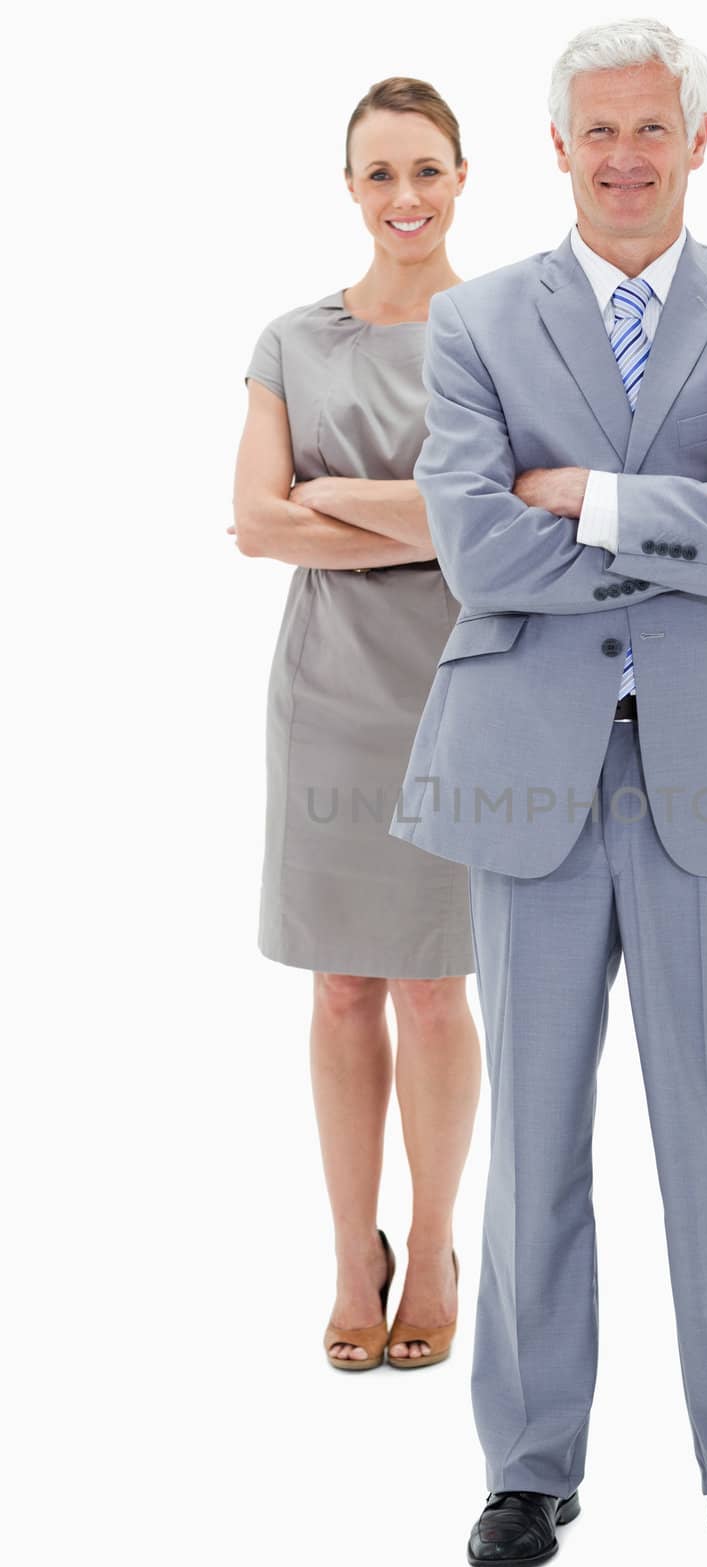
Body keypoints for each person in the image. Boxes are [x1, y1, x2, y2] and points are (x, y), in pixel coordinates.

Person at [388, 18, 707, 1567]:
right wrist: (702, 504)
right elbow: (475, 551)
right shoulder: (480, 325)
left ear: (699, 139)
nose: (628, 159)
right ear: (560, 148)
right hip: (529, 769)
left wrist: (581, 492)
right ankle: (528, 1464)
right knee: (535, 1142)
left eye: (654, 130)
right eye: (600, 134)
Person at [231, 78, 480, 1372]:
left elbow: (485, 530)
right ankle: (351, 1251)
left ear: (461, 177)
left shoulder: (501, 334)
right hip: (326, 697)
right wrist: (422, 510)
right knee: (341, 989)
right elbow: (255, 522)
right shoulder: (292, 339)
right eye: (379, 173)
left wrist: (344, 500)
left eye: (426, 170)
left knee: (437, 988)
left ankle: (433, 1243)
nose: (405, 198)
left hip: (464, 689)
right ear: (348, 187)